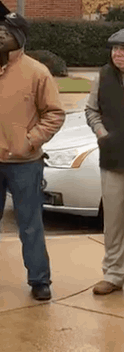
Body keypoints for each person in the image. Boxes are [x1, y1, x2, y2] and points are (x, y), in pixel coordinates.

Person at [0, 12, 65, 301]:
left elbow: (54, 114)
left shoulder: (37, 72)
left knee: (30, 223)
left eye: (6, 31)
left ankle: (39, 279)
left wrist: (30, 140)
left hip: (25, 163)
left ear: (20, 37)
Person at [85, 28, 124, 296]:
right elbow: (91, 110)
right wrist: (101, 133)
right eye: (115, 49)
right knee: (113, 223)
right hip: (113, 160)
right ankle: (113, 273)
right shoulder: (103, 76)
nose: (118, 54)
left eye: (123, 49)